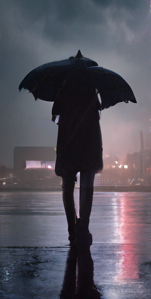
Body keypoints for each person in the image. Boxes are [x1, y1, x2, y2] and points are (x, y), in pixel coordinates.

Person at [52, 69, 103, 246]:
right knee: (86, 188)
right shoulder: (91, 90)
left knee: (67, 189)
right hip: (88, 145)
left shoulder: (63, 89)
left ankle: (72, 230)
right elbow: (97, 116)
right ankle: (83, 227)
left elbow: (55, 116)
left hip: (68, 144)